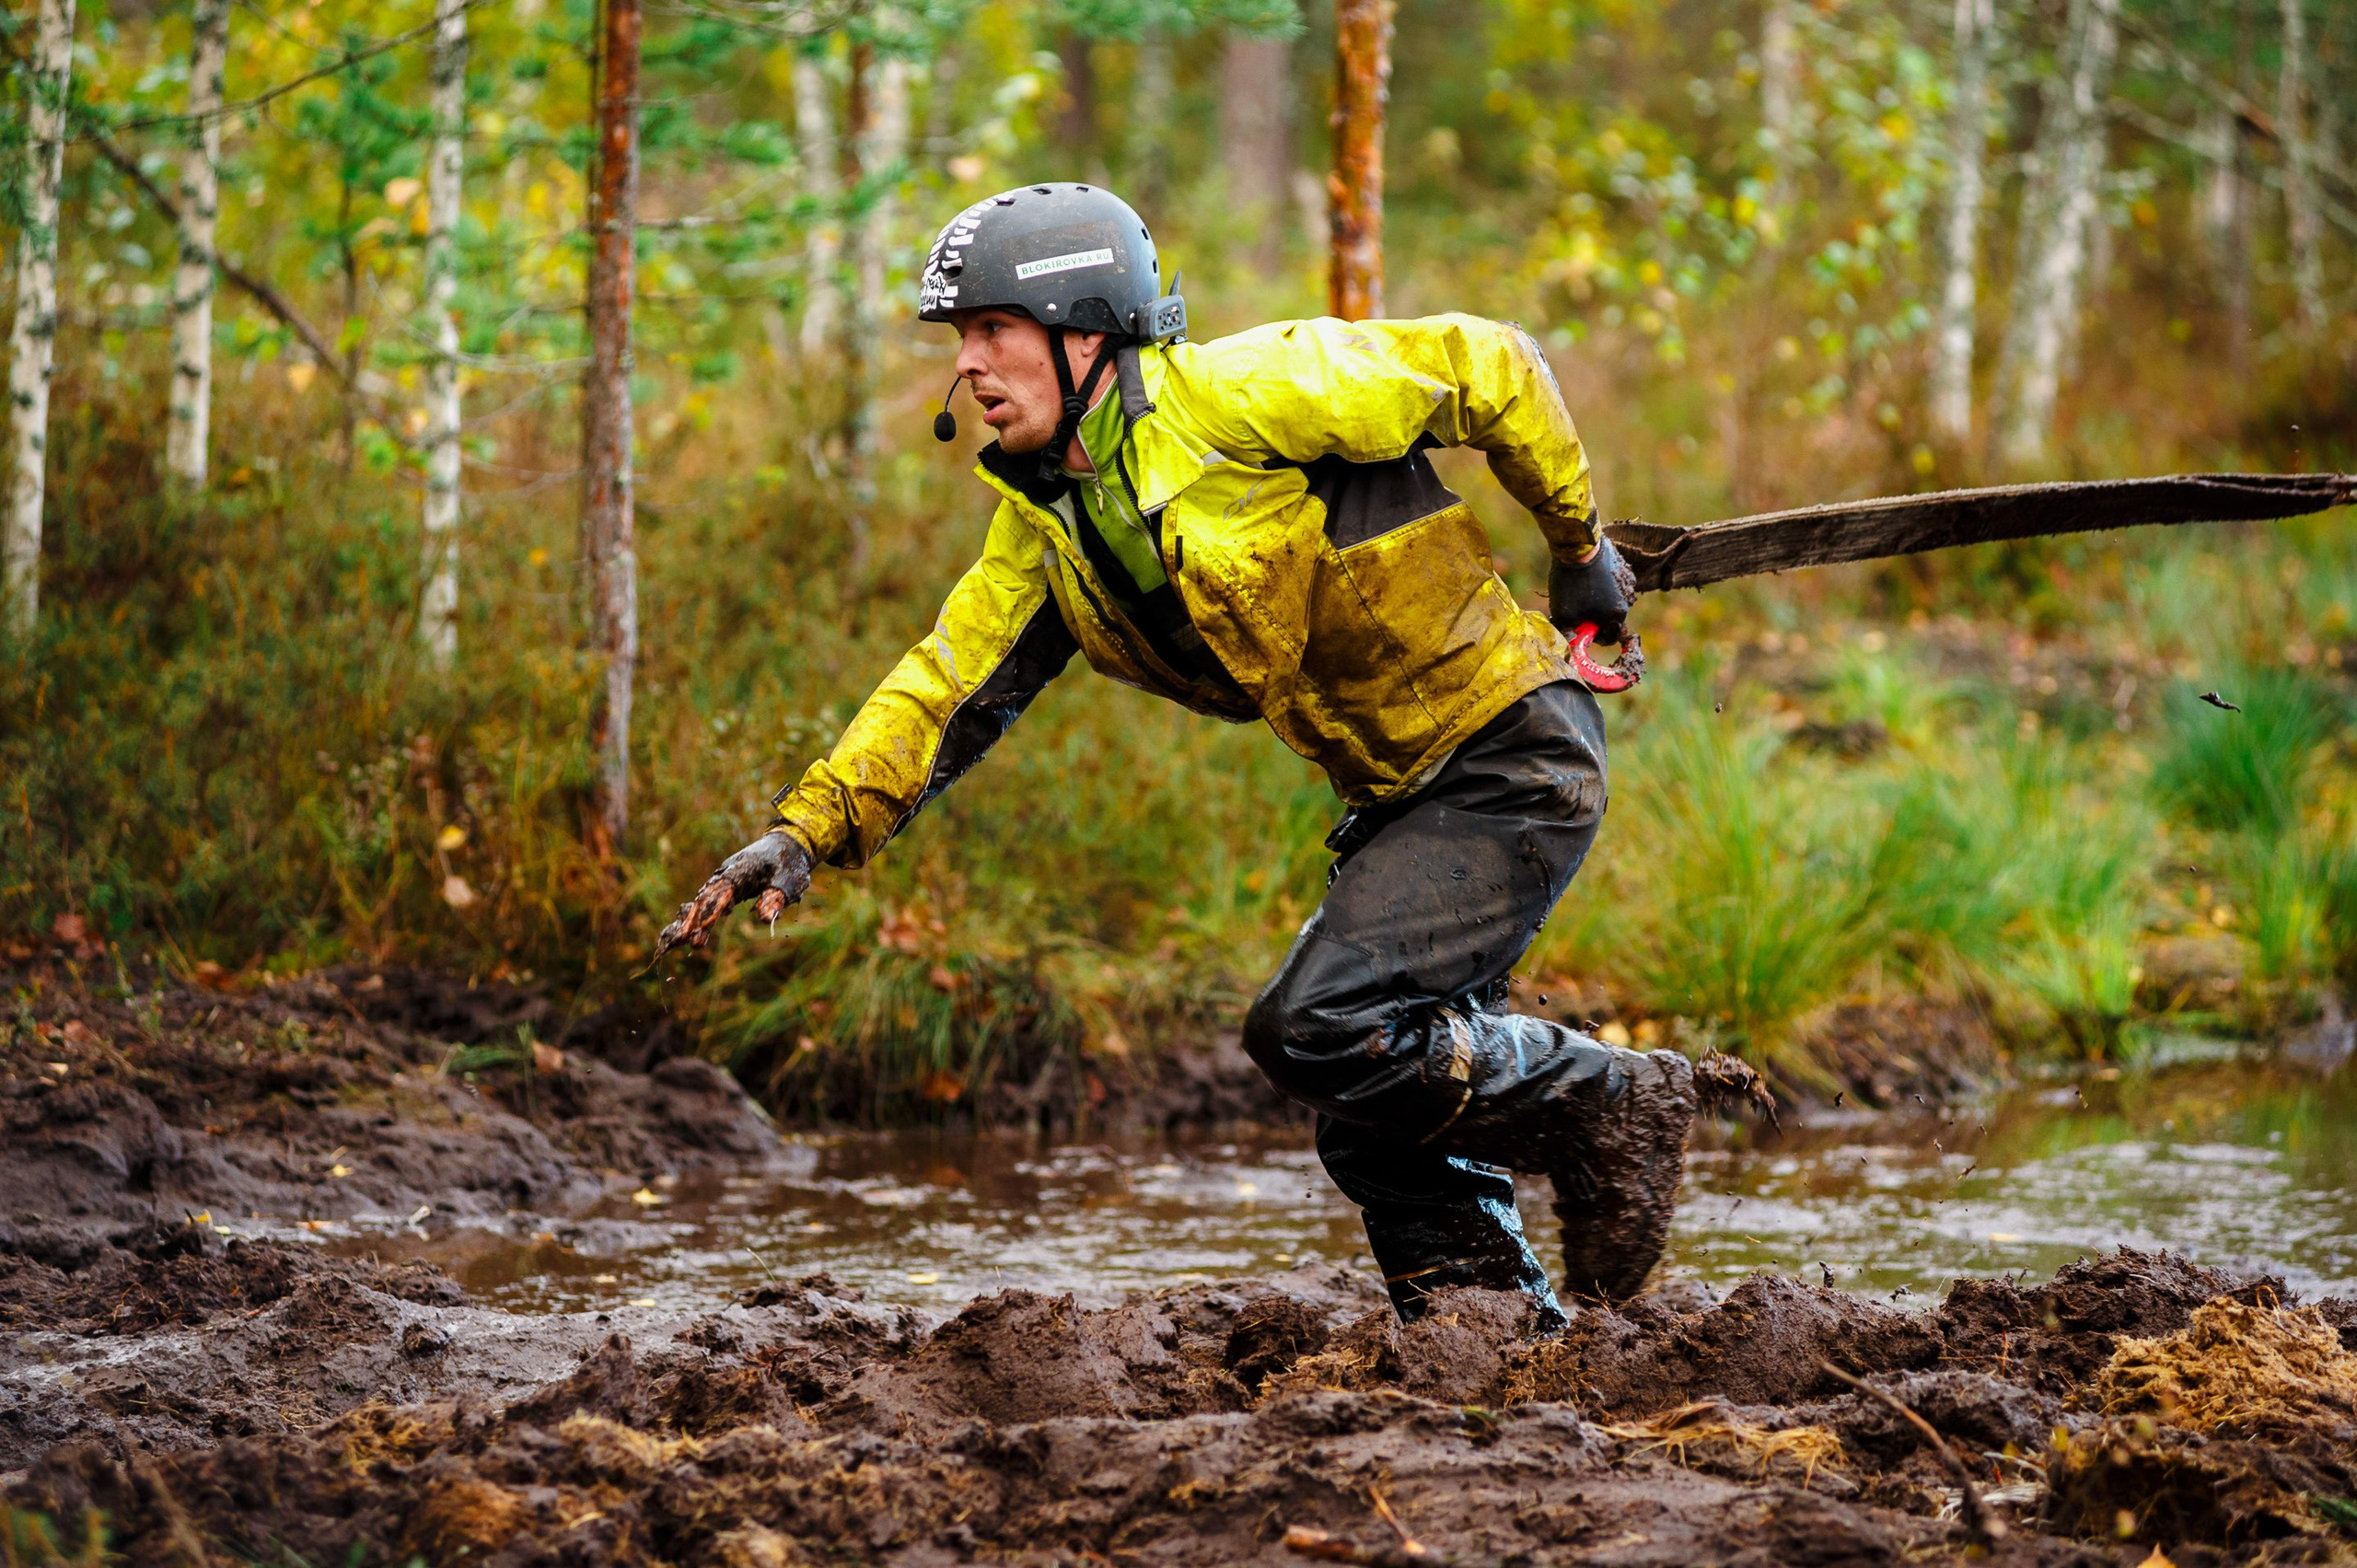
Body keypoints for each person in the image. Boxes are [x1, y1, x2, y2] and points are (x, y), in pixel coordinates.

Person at [657, 182, 1700, 1330]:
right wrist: (805, 829)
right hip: (1400, 799)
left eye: (993, 330)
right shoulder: (1047, 524)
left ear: (1084, 329)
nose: (969, 367)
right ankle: (1499, 1346)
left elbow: (1488, 365)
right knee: (1371, 1111)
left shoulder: (1241, 395)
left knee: (1318, 1026)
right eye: (962, 340)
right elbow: (943, 684)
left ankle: (1612, 1096)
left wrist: (1579, 546)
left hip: (1511, 756)